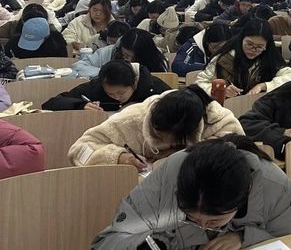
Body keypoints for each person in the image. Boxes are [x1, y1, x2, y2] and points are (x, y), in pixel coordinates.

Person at [88, 135, 291, 250]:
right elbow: (109, 245)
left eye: (214, 221)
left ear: (242, 199)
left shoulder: (276, 188)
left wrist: (244, 237)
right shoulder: (167, 179)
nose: (203, 226)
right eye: (191, 218)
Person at [68, 85, 243, 169]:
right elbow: (79, 150)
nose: (166, 146)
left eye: (175, 143)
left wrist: (179, 156)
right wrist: (120, 157)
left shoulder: (218, 120)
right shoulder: (133, 118)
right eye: (158, 137)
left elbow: (241, 157)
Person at [196, 18, 291, 98]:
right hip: (226, 108)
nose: (253, 50)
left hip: (258, 108)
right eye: (249, 44)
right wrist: (221, 91)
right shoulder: (225, 57)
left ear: (267, 46)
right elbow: (200, 83)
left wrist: (263, 86)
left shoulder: (268, 57)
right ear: (241, 39)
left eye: (259, 47)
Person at [43, 60, 171, 112]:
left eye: (121, 93)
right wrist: (80, 105)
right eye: (110, 94)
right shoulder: (96, 87)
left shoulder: (153, 87)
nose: (117, 98)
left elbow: (179, 106)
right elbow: (51, 104)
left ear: (134, 83)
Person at [72, 29, 169, 79]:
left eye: (135, 58)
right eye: (125, 55)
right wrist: (106, 73)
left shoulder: (156, 59)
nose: (129, 60)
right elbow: (77, 67)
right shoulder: (107, 52)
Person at [4, 15, 68, 59]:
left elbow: (63, 64)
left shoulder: (57, 42)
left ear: (46, 36)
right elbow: (6, 56)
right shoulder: (14, 41)